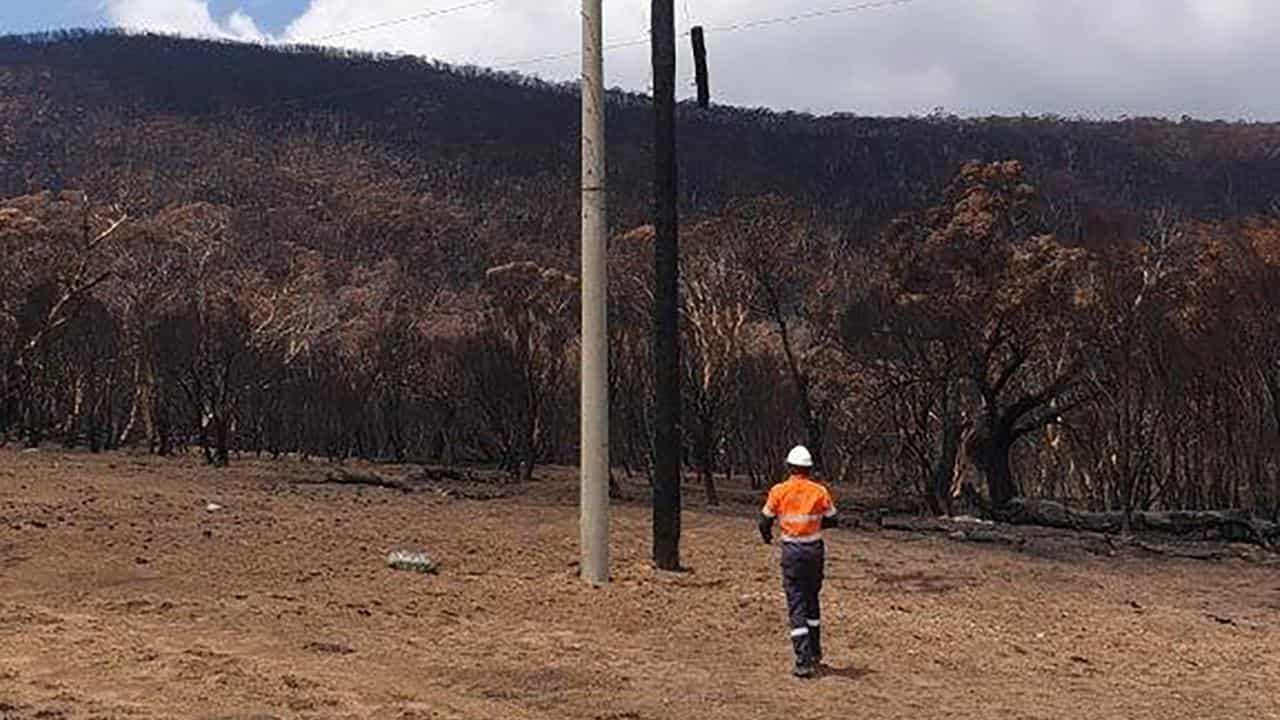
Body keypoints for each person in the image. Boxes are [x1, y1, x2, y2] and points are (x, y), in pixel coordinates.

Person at [758, 445, 839, 678]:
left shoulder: (779, 491)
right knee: (812, 599)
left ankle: (802, 660)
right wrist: (813, 526)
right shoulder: (820, 491)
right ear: (809, 468)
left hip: (792, 552)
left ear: (789, 467)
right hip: (814, 551)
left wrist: (768, 537)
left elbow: (764, 521)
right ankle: (815, 652)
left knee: (796, 603)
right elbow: (834, 519)